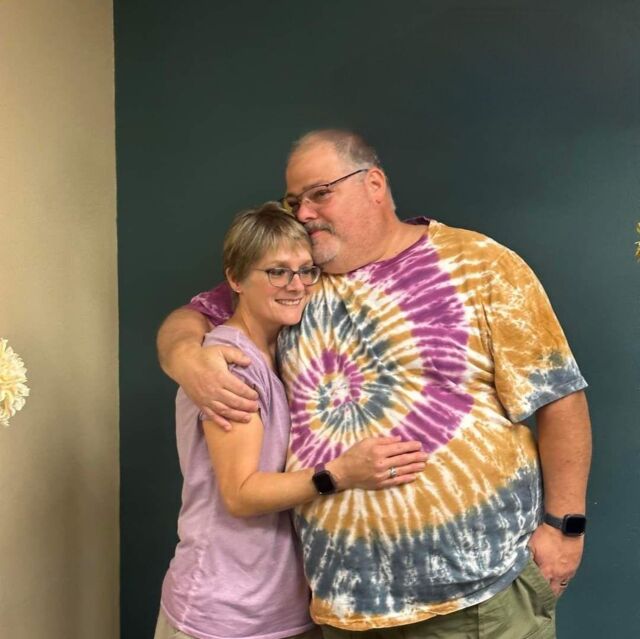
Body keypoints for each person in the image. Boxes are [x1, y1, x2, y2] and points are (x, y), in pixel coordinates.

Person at [157, 130, 592, 638]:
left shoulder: (480, 265)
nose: (305, 213)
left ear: (374, 184)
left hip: (478, 599)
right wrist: (184, 355)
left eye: (321, 193)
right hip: (344, 608)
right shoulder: (296, 280)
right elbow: (195, 316)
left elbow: (559, 397)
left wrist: (566, 529)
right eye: (294, 202)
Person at [155, 202, 428, 639]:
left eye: (306, 271)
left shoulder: (286, 350)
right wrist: (341, 474)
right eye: (277, 272)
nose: (296, 285)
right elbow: (241, 493)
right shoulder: (232, 366)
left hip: (282, 607)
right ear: (234, 279)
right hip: (224, 611)